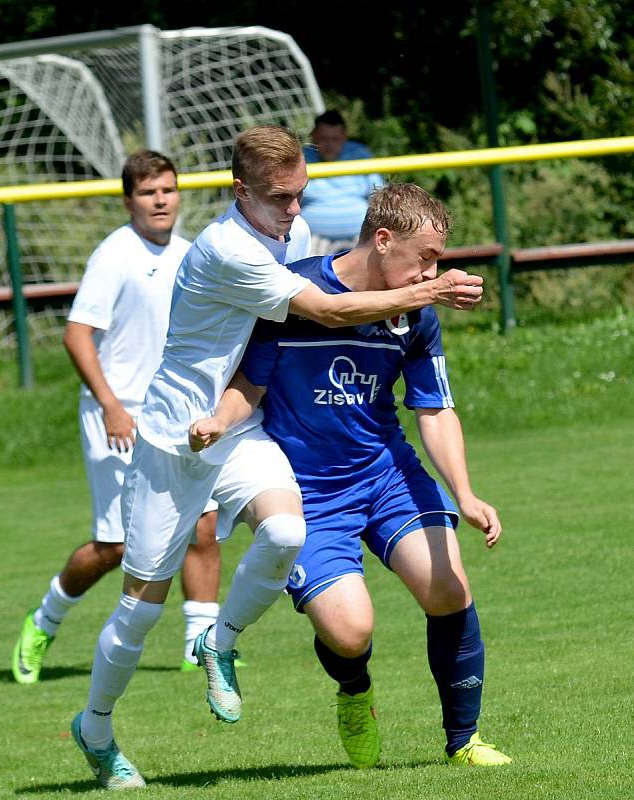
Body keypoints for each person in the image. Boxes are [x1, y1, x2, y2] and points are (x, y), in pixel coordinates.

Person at [70, 127, 485, 790]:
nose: (294, 213)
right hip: (170, 438)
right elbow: (322, 310)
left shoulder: (279, 236)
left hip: (235, 431)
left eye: (300, 197)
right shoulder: (228, 247)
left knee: (286, 531)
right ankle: (94, 728)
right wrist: (426, 293)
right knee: (141, 609)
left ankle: (219, 642)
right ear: (241, 193)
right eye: (280, 199)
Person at [190, 182, 512, 769]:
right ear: (383, 240)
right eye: (426, 258)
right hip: (308, 492)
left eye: (437, 261)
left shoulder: (415, 311)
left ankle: (464, 741)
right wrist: (219, 420)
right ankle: (356, 690)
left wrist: (465, 493)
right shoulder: (294, 291)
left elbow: (434, 408)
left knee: (449, 588)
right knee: (350, 631)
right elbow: (250, 385)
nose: (432, 272)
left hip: (385, 472)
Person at [11, 150, 224, 686]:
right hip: (121, 414)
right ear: (129, 200)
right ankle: (43, 622)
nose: (160, 200)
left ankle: (201, 647)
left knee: (203, 525)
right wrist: (109, 404)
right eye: (149, 192)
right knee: (116, 545)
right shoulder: (114, 255)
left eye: (168, 190)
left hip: (179, 412)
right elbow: (76, 334)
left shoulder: (191, 253)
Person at [301, 109, 384, 255]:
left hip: (360, 235)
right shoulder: (300, 158)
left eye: (335, 139)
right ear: (313, 137)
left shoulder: (360, 155)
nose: (329, 145)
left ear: (345, 137)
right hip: (314, 238)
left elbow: (378, 196)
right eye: (323, 139)